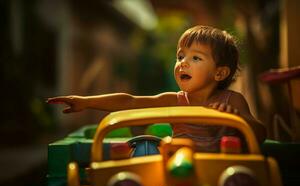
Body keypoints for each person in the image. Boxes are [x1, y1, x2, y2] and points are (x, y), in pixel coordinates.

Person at [47, 25, 266, 151]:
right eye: (180, 56)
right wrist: (86, 102)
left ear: (219, 73)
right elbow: (130, 102)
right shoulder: (175, 100)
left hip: (222, 173)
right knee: (145, 147)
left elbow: (260, 134)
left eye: (196, 58)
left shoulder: (232, 101)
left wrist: (239, 119)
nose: (183, 63)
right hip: (175, 170)